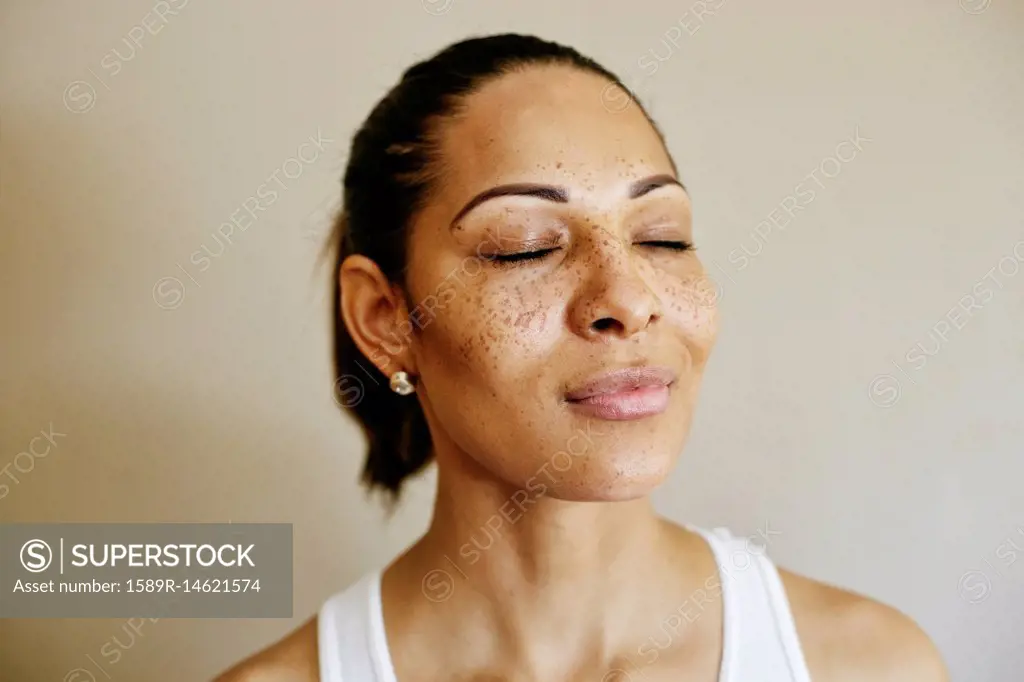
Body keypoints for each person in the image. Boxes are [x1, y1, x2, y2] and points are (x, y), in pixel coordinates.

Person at [215, 33, 949, 682]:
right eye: (525, 246)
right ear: (385, 319)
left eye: (662, 236)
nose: (629, 299)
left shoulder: (870, 665)